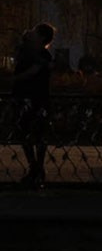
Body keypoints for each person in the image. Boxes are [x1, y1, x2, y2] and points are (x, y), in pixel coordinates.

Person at [12, 22, 55, 189]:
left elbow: (33, 71)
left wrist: (14, 79)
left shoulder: (43, 55)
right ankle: (35, 167)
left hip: (36, 98)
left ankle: (37, 168)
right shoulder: (27, 51)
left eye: (35, 32)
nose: (31, 32)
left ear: (42, 37)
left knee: (37, 134)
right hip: (25, 97)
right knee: (24, 132)